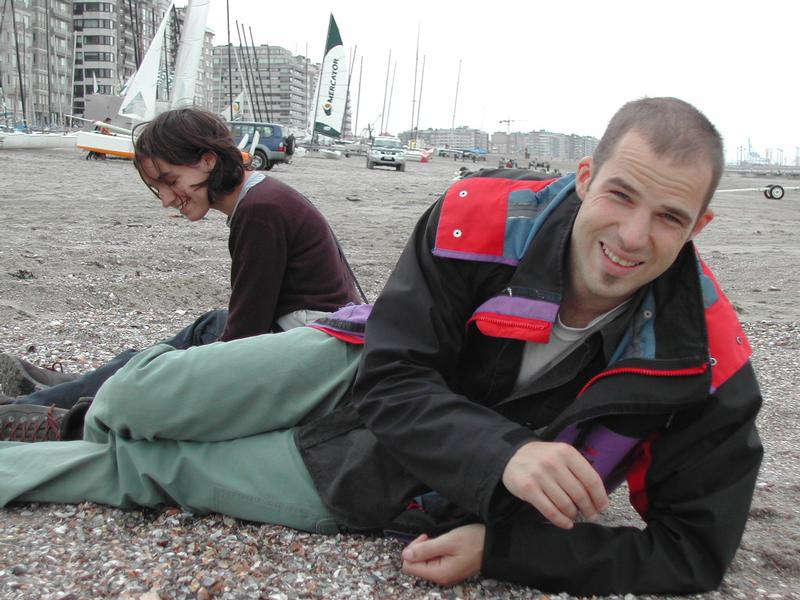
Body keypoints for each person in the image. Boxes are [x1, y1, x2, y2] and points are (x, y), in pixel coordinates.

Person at [0, 98, 762, 595]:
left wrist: (500, 549)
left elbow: (694, 552)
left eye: (668, 216)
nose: (631, 238)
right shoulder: (478, 220)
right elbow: (394, 375)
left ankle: (37, 441)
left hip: (395, 483)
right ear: (585, 178)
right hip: (355, 362)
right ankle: (66, 411)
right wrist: (506, 453)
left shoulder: (707, 363)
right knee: (135, 397)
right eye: (621, 196)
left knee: (151, 469)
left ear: (699, 227)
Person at [0, 108, 360, 428]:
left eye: (170, 181)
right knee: (201, 331)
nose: (168, 200)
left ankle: (42, 404)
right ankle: (59, 390)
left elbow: (243, 340)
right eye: (159, 189)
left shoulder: (259, 211)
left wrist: (173, 373)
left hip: (316, 356)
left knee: (168, 362)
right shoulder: (264, 196)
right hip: (316, 341)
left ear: (207, 161)